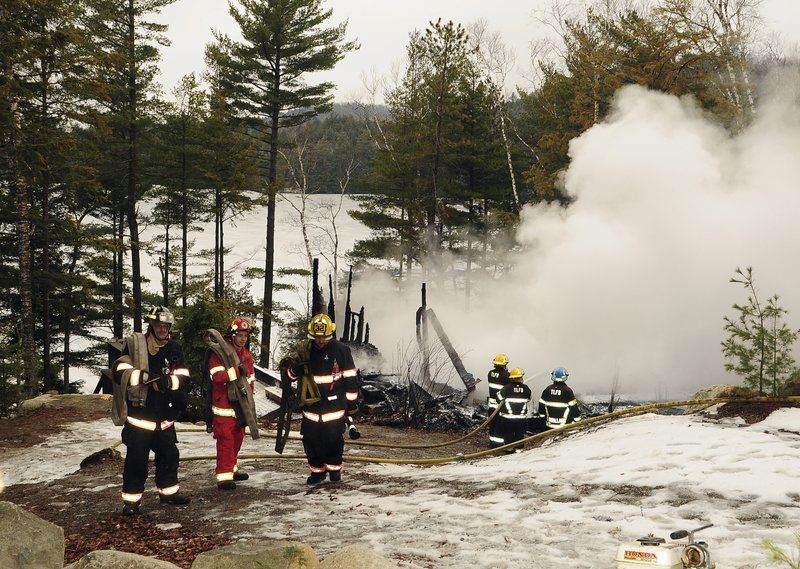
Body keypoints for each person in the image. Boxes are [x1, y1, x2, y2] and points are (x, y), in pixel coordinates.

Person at [112, 305, 191, 516]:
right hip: (141, 416)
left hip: (165, 415)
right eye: (158, 324)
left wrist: (169, 383)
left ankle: (168, 493)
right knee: (137, 460)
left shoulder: (175, 348)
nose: (162, 329)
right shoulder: (136, 346)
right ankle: (131, 501)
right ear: (152, 325)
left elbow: (184, 379)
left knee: (169, 456)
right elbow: (119, 371)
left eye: (166, 325)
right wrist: (146, 378)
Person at [280, 314, 359, 484]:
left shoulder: (341, 350)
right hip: (311, 405)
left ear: (330, 334)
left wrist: (352, 403)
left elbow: (350, 377)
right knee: (311, 440)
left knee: (333, 439)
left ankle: (334, 470)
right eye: (317, 337)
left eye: (324, 337)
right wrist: (295, 369)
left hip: (334, 405)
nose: (321, 341)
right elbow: (289, 376)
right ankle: (317, 471)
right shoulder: (304, 350)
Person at [207, 317, 256, 490]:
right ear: (232, 335)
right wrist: (236, 371)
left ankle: (232, 469)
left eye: (245, 335)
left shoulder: (246, 356)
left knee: (237, 439)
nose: (243, 338)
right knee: (226, 441)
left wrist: (250, 401)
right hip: (224, 408)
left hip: (241, 407)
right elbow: (217, 377)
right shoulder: (220, 353)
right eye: (240, 335)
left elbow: (250, 380)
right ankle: (224, 477)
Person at [494, 367, 532, 452]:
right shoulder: (526, 389)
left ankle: (509, 451)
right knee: (519, 435)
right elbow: (529, 399)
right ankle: (518, 452)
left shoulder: (506, 388)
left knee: (508, 434)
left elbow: (498, 398)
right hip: (521, 419)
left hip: (507, 419)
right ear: (520, 378)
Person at [487, 354, 511, 448]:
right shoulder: (506, 375)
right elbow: (509, 384)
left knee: (492, 424)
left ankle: (492, 443)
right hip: (500, 405)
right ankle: (498, 445)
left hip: (491, 404)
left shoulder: (490, 373)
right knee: (499, 425)